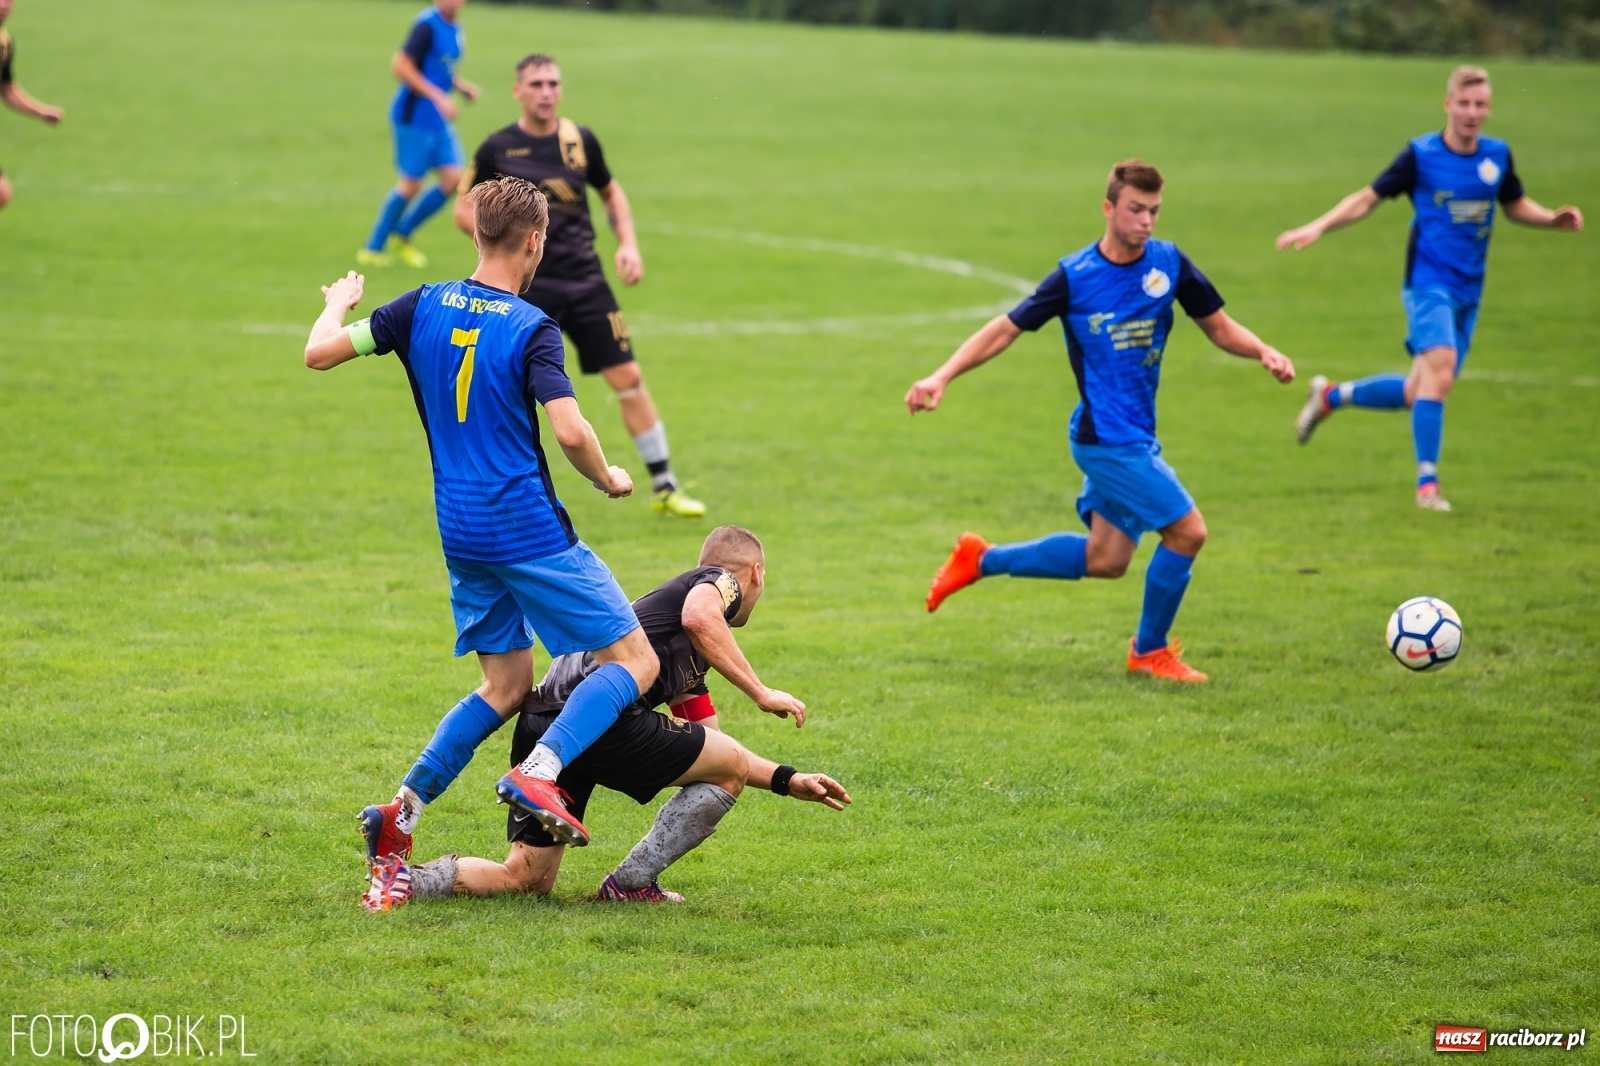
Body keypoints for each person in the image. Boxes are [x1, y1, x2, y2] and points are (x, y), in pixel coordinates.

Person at [305, 176, 660, 865]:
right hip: (525, 526)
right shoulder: (533, 328)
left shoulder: (419, 305)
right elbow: (570, 431)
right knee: (635, 659)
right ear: (534, 242)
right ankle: (541, 770)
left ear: (474, 232)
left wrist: (337, 305)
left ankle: (401, 811)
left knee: (506, 686)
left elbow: (318, 354)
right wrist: (609, 476)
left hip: (459, 529)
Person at [904, 160, 1295, 683]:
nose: (1146, 221)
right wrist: (943, 375)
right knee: (1188, 532)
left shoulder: (1169, 265)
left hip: (1137, 436)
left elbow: (1219, 328)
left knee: (1108, 557)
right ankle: (1150, 651)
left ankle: (981, 559)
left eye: (1154, 211)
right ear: (1109, 209)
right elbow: (1005, 329)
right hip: (1106, 441)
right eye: (1136, 209)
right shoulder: (1075, 277)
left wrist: (1263, 351)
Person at [363, 526, 842, 909]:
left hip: (546, 722)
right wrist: (761, 691)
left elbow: (716, 754)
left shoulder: (680, 652)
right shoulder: (716, 583)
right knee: (727, 765)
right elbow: (702, 617)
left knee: (526, 878)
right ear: (755, 573)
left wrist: (787, 779)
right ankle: (631, 883)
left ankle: (404, 880)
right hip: (603, 718)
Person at [1279, 66, 1583, 512]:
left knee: (1419, 391)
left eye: (1480, 105)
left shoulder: (1496, 156)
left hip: (1469, 288)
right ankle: (1428, 486)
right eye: (1464, 103)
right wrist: (1319, 226)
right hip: (1427, 282)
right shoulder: (1421, 155)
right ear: (1447, 105)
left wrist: (1551, 219)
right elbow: (1367, 198)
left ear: (1489, 109)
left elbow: (1514, 205)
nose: (1471, 112)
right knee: (1440, 373)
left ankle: (1329, 396)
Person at [454, 53, 706, 519]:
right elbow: (463, 210)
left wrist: (627, 244)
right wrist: (505, 246)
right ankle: (506, 489)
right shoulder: (497, 149)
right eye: (536, 84)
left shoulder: (579, 141)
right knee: (509, 387)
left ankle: (664, 484)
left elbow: (610, 192)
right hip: (525, 289)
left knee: (628, 377)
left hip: (586, 281)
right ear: (518, 92)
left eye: (553, 82)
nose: (546, 91)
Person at [357, 0, 480, 269]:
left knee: (453, 179)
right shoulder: (426, 25)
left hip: (437, 120)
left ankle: (402, 233)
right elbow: (400, 66)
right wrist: (438, 97)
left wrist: (459, 86)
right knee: (411, 184)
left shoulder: (455, 25)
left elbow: (439, 67)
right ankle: (372, 248)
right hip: (414, 117)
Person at [0, 0, 64, 212]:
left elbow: (8, 89)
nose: (5, 5)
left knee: (1, 193)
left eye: (9, 0)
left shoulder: (5, 42)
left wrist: (42, 111)